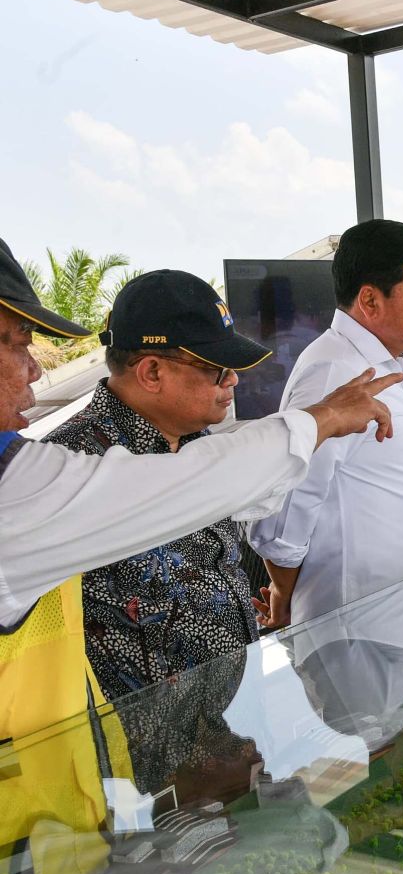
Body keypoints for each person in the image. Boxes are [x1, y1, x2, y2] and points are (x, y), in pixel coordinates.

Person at [0, 237, 403, 874]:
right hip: (139, 793)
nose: (37, 368)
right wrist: (314, 422)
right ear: (149, 369)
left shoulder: (192, 451)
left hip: (185, 770)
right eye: (12, 341)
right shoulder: (61, 476)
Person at [43, 270, 272, 699]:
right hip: (147, 747)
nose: (233, 381)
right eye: (219, 369)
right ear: (151, 372)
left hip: (233, 713)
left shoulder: (196, 441)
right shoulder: (66, 466)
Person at [250, 219, 403, 627]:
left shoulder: (380, 364)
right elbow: (282, 512)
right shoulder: (335, 371)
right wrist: (285, 593)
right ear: (371, 301)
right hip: (355, 628)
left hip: (399, 618)